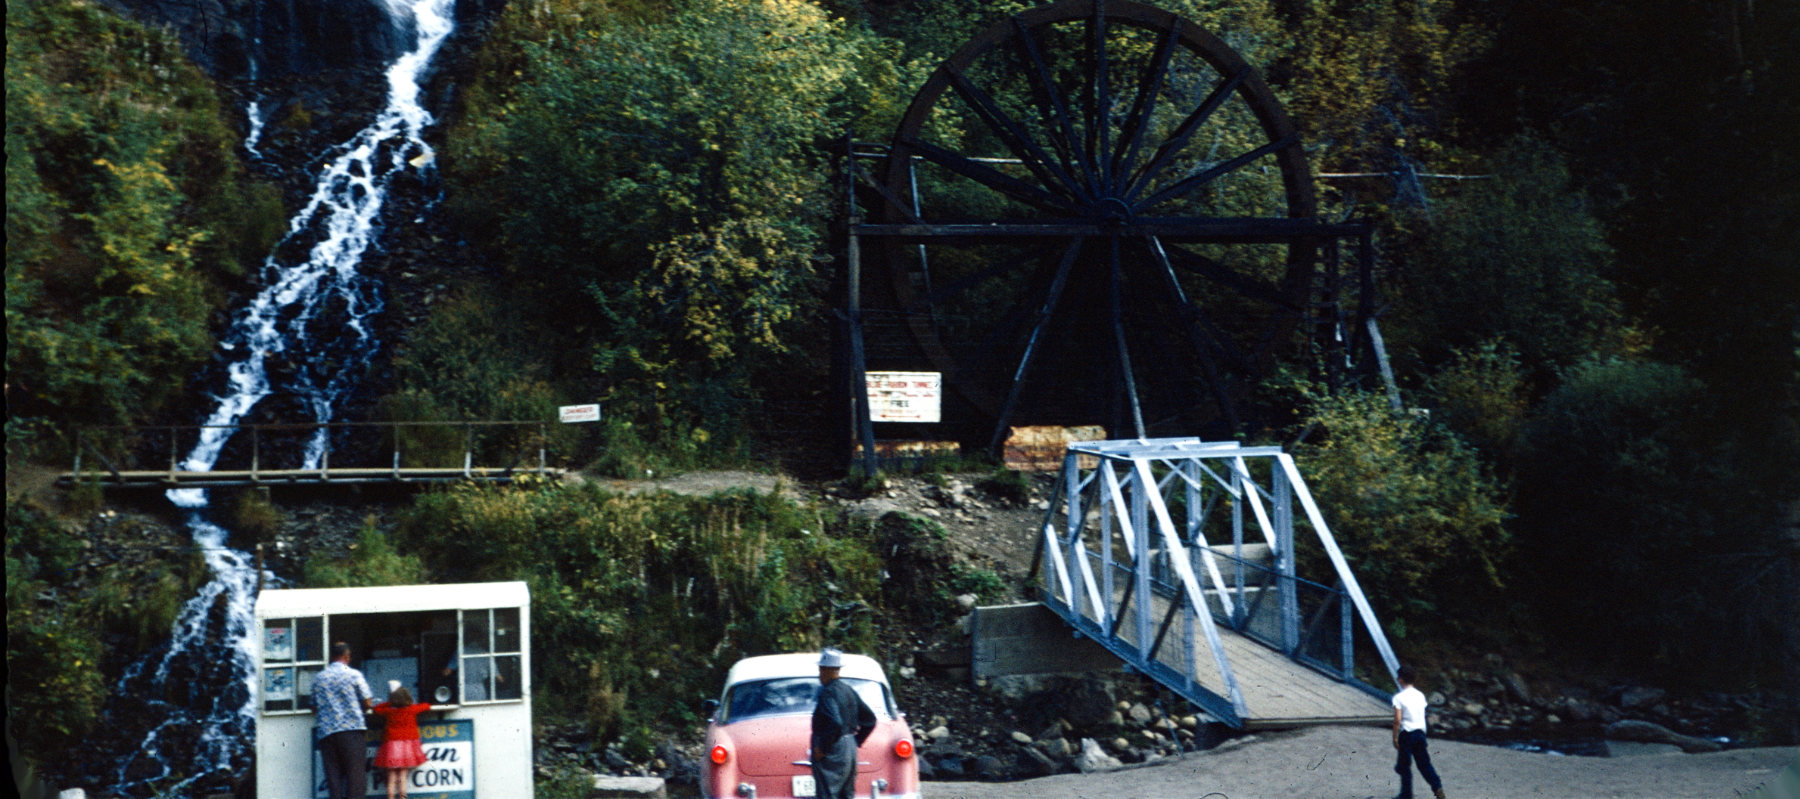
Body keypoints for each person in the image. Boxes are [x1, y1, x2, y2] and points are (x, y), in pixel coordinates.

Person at [810, 648, 876, 799]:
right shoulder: (848, 690)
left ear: (826, 670)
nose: (819, 674)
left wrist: (823, 748)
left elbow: (835, 722)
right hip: (849, 748)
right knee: (846, 794)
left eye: (821, 669)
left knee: (827, 793)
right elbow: (870, 719)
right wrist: (856, 741)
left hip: (833, 750)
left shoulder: (828, 692)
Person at [313, 642, 374, 799]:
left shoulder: (319, 678)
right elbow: (368, 702)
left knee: (334, 779)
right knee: (355, 776)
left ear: (332, 657)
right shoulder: (354, 675)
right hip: (352, 731)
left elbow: (313, 707)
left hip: (327, 733)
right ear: (347, 656)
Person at [372, 681, 435, 799]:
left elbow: (376, 709)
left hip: (391, 746)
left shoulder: (389, 711)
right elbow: (427, 705)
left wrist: (389, 702)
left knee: (391, 777)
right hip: (407, 746)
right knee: (403, 776)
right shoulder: (412, 709)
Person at [1391, 664, 1446, 799]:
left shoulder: (1399, 698)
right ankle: (1437, 787)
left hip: (1407, 733)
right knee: (1424, 764)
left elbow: (1397, 720)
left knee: (1404, 765)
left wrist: (1395, 738)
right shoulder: (1420, 695)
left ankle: (1406, 794)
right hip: (1420, 733)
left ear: (1401, 680)